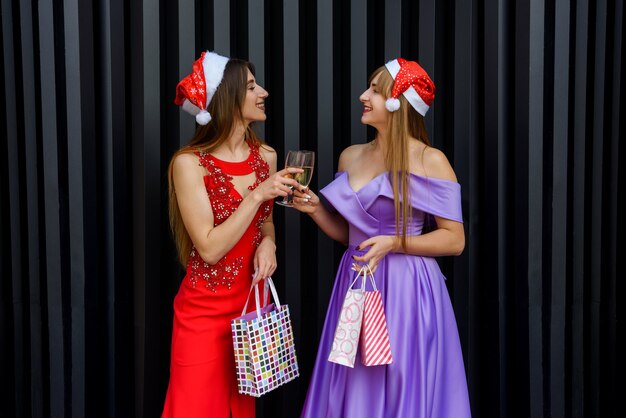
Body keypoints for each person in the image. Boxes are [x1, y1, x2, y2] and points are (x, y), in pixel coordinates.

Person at [292, 58, 472, 417]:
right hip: (357, 282)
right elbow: (351, 235)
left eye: (375, 90)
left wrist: (395, 242)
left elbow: (454, 240)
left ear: (398, 101)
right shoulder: (350, 156)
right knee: (356, 379)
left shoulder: (430, 160)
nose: (363, 96)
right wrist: (314, 209)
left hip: (408, 291)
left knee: (403, 379)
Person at [162, 51, 302, 418]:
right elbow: (208, 249)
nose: (265, 93)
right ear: (227, 97)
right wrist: (257, 193)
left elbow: (265, 222)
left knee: (239, 410)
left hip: (249, 307)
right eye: (253, 86)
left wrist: (269, 242)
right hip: (203, 311)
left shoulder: (266, 157)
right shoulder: (188, 163)